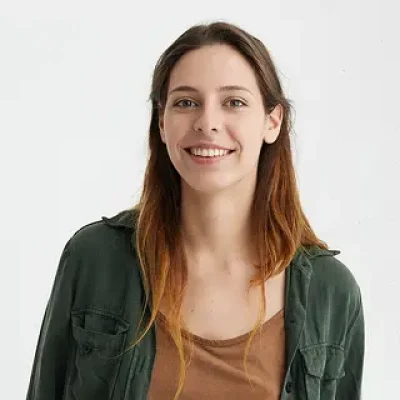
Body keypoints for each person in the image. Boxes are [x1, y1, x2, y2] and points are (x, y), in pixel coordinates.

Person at [26, 21, 364, 400]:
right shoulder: (95, 259)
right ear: (162, 122)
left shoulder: (331, 292)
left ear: (272, 121)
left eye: (234, 102)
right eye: (186, 102)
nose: (207, 123)